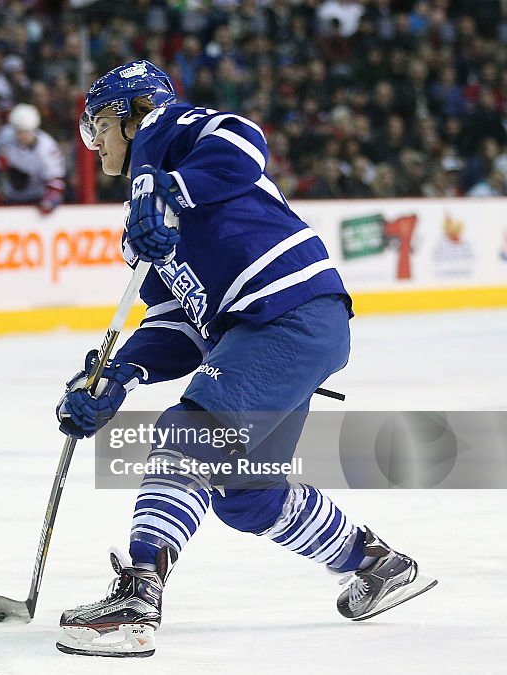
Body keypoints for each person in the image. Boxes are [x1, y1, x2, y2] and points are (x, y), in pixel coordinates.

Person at [53, 60, 437, 658]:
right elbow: (177, 321)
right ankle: (375, 564)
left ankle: (138, 595)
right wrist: (119, 375)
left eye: (98, 124)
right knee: (246, 493)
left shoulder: (179, 133)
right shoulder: (143, 223)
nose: (94, 141)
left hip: (287, 313)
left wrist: (165, 189)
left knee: (187, 432)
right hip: (267, 332)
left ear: (128, 117)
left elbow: (243, 140)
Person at [0, 103, 65, 214]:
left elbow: (55, 179)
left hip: (37, 199)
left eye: (26, 132)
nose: (21, 136)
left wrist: (50, 199)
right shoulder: (4, 138)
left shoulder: (47, 147)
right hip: (9, 198)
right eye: (18, 132)